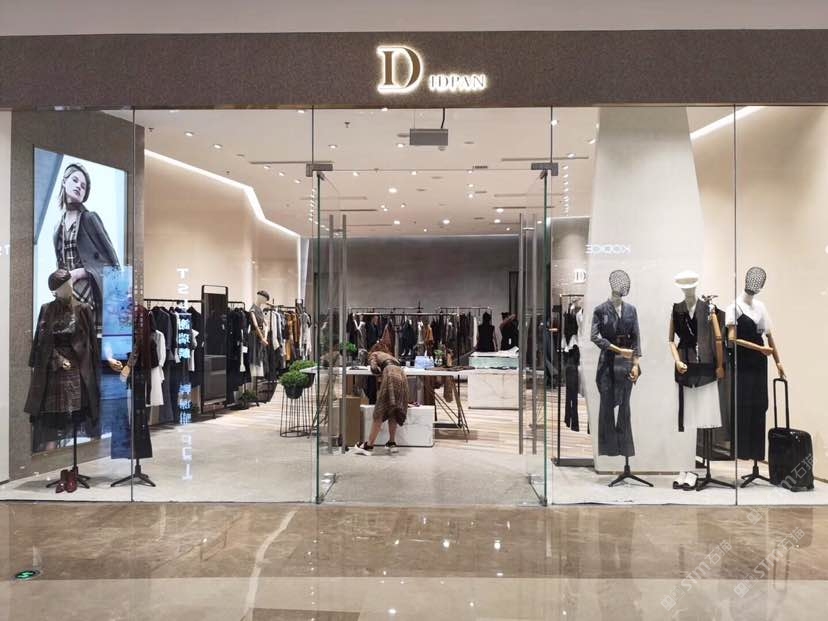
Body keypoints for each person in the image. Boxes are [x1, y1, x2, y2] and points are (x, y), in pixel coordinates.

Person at [52, 162, 121, 339]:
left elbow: (112, 261)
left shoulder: (89, 219)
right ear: (64, 181)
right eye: (75, 180)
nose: (79, 187)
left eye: (83, 186)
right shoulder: (57, 228)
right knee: (67, 345)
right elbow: (60, 264)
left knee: (87, 345)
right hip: (67, 294)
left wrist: (80, 272)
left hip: (88, 292)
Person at [352, 344, 409, 455]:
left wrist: (378, 371)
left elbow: (374, 368)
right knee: (393, 410)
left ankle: (369, 445)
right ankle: (392, 443)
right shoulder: (392, 357)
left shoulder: (374, 354)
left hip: (390, 375)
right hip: (402, 376)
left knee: (379, 411)